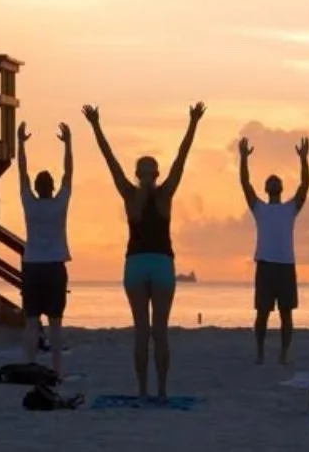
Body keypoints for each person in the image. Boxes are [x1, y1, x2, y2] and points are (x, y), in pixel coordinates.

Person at [84, 102, 203, 402]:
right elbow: (179, 159)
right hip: (159, 264)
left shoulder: (132, 194)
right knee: (156, 332)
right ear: (151, 174)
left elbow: (178, 158)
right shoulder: (162, 195)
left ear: (138, 174)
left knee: (145, 332)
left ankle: (147, 391)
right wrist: (192, 123)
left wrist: (97, 126)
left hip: (139, 264)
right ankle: (156, 392)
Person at [239, 134, 309, 366]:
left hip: (286, 266)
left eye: (276, 180)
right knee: (262, 313)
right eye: (270, 181)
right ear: (267, 188)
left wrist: (304, 159)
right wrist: (243, 159)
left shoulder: (290, 208)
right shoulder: (259, 207)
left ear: (280, 187)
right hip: (266, 265)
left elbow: (305, 186)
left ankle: (283, 353)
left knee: (286, 314)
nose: (273, 182)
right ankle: (260, 352)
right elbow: (245, 185)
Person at [15, 121, 73, 379]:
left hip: (32, 265)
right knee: (56, 322)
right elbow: (68, 175)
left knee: (31, 321)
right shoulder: (60, 203)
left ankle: (30, 365)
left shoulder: (30, 203)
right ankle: (58, 369)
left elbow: (22, 174)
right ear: (52, 188)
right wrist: (68, 144)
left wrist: (20, 144)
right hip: (54, 266)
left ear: (37, 188)